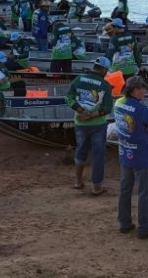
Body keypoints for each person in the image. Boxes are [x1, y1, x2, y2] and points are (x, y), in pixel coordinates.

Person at [115, 77, 148, 239]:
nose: (146, 92)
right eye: (144, 89)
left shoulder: (118, 102)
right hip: (141, 155)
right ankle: (144, 227)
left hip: (125, 151)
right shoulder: (142, 109)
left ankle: (124, 222)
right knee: (144, 192)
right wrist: (146, 126)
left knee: (125, 188)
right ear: (136, 91)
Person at [66, 57, 115, 195]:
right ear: (104, 70)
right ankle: (97, 187)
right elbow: (107, 108)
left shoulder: (78, 79)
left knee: (80, 150)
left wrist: (81, 111)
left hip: (80, 123)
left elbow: (69, 98)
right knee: (98, 155)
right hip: (98, 125)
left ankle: (78, 181)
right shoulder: (105, 85)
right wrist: (91, 115)